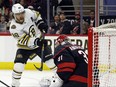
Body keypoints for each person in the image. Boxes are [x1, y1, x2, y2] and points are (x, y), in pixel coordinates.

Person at [9, 3, 56, 87]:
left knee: (51, 62)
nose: (21, 16)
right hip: (24, 48)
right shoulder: (13, 27)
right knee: (18, 66)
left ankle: (61, 79)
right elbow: (23, 40)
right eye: (18, 14)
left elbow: (37, 16)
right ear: (14, 15)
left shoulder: (28, 12)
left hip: (39, 41)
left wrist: (40, 24)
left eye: (22, 13)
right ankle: (14, 85)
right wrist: (36, 41)